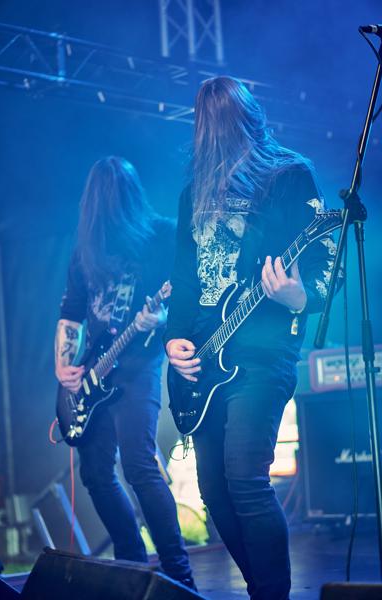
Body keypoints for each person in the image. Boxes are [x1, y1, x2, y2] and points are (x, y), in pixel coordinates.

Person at [164, 76, 339, 600]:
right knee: (215, 492)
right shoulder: (194, 192)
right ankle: (263, 588)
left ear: (244, 119)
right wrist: (174, 339)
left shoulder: (288, 175)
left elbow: (326, 264)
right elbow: (184, 277)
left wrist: (297, 296)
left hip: (263, 354)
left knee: (245, 477)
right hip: (206, 360)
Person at [54, 156, 195, 589]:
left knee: (139, 465)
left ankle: (178, 574)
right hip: (94, 371)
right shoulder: (85, 250)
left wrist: (162, 317)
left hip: (139, 363)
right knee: (95, 474)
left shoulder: (161, 236)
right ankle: (131, 566)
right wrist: (63, 365)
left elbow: (187, 292)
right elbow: (71, 313)